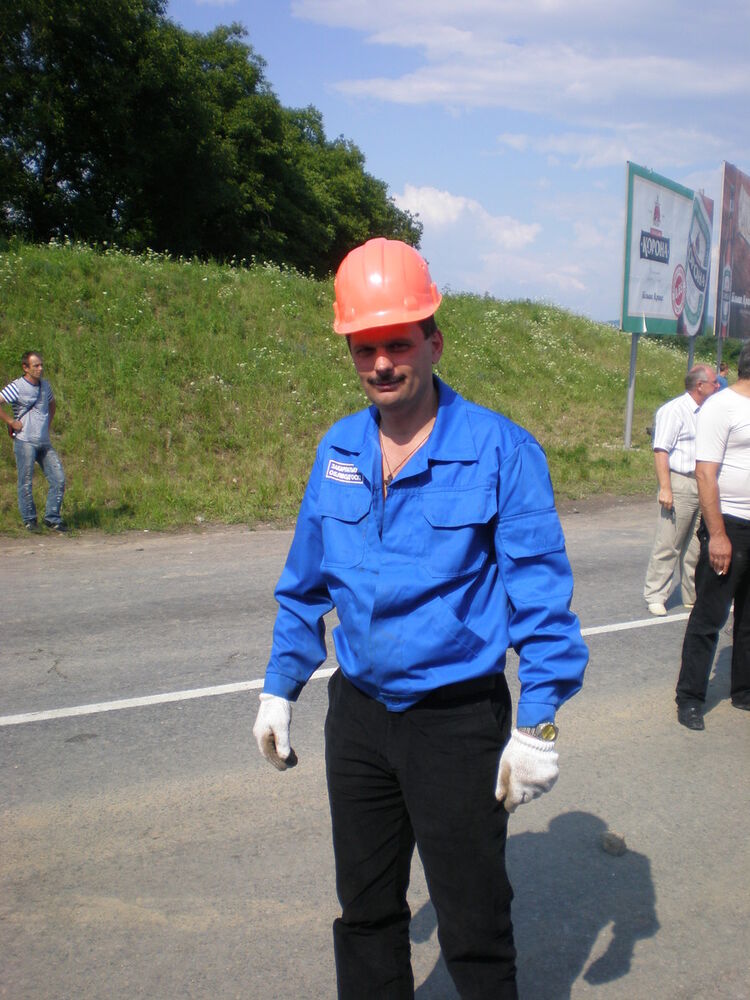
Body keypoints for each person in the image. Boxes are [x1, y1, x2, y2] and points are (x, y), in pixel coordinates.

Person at [252, 238, 588, 999]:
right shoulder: (338, 448)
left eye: (398, 344)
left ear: (434, 342)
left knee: (473, 922)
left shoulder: (501, 450)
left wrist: (537, 724)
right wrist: (280, 686)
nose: (381, 364)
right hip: (360, 717)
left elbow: (540, 599)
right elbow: (305, 584)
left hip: (455, 723)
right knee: (365, 912)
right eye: (363, 348)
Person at [675, 341, 750, 730]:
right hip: (729, 524)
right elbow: (705, 473)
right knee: (709, 616)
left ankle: (744, 690)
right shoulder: (721, 406)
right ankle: (690, 698)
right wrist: (717, 535)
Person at [643, 365, 719, 616]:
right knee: (670, 541)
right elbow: (661, 450)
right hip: (681, 481)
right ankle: (656, 594)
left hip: (703, 481)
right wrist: (665, 488)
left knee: (697, 544)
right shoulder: (673, 410)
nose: (717, 386)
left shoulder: (708, 411)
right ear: (700, 385)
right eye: (714, 382)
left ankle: (691, 594)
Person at [0, 351, 66, 531]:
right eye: (36, 365)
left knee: (58, 479)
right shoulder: (17, 386)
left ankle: (52, 518)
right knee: (26, 481)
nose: (40, 368)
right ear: (26, 368)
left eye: (41, 365)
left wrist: (47, 424)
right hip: (25, 441)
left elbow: (52, 404)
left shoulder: (45, 386)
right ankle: (30, 520)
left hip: (44, 441)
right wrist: (11, 422)